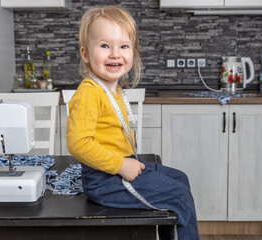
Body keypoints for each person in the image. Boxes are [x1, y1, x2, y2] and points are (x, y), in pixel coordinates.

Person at [67, 5, 200, 240]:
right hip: (105, 180)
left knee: (180, 178)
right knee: (179, 195)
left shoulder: (114, 89)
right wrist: (121, 165)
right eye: (105, 46)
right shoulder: (89, 92)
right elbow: (78, 143)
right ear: (86, 54)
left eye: (124, 46)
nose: (115, 54)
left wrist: (125, 163)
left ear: (133, 53)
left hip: (120, 167)